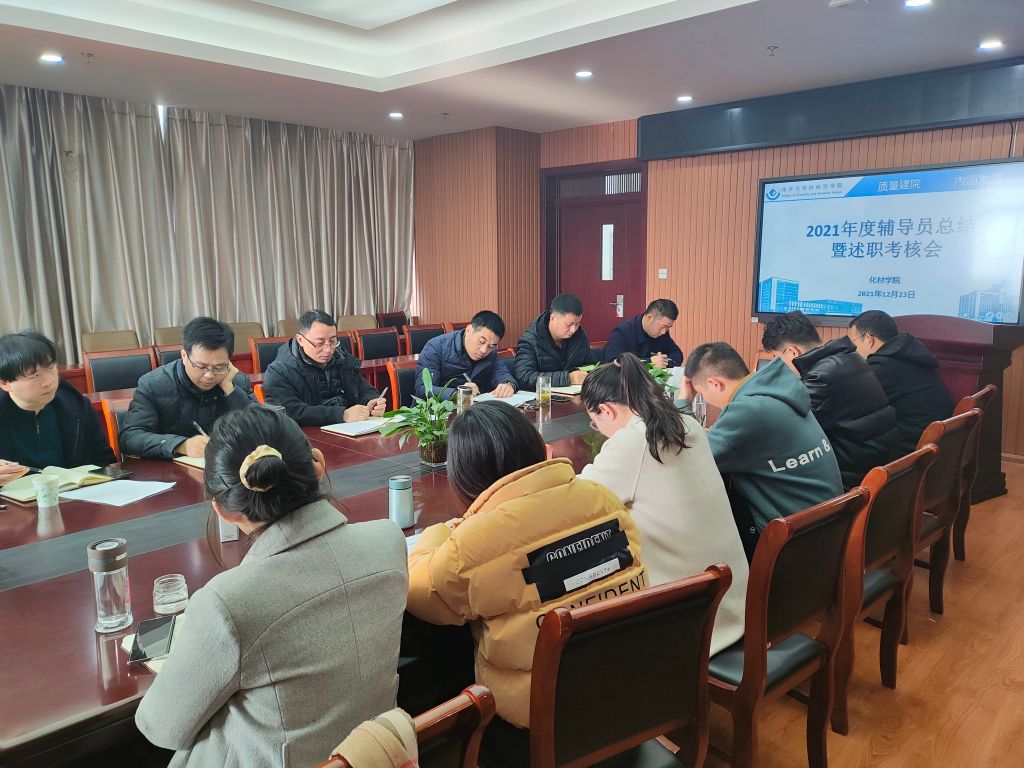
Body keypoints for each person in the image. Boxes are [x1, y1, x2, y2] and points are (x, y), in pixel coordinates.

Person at [135, 406, 408, 768]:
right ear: (318, 466)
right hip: (374, 755)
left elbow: (160, 727)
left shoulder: (226, 603)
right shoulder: (388, 541)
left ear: (223, 511)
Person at [406, 401, 646, 758]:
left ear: (462, 475)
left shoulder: (473, 544)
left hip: (542, 731)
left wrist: (447, 530)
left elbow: (419, 592)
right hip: (632, 701)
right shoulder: (601, 497)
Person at [579, 353, 747, 654]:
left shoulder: (633, 440)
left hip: (694, 621)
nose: (598, 429)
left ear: (606, 410)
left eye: (595, 422)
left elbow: (578, 501)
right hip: (735, 602)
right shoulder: (687, 423)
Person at [683, 342, 843, 558]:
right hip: (827, 527)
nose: (705, 399)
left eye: (701, 393)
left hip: (795, 543)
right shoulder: (777, 393)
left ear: (715, 384)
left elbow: (691, 457)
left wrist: (683, 403)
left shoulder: (748, 410)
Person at [762, 311, 901, 489]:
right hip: (878, 468)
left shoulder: (820, 377)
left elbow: (788, 429)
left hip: (853, 483)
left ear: (792, 352)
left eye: (776, 359)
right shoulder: (851, 358)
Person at [119, 317, 256, 459]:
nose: (209, 375)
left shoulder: (236, 380)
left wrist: (231, 391)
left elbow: (264, 429)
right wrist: (181, 445)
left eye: (219, 367)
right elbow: (130, 437)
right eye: (201, 366)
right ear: (184, 356)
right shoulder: (154, 384)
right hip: (171, 469)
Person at [0, 332, 115, 479]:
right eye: (34, 376)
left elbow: (103, 459)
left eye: (50, 368)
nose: (48, 381)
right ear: (5, 383)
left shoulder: (76, 404)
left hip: (76, 491)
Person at [848, 310, 954, 455]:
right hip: (936, 446)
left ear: (868, 339)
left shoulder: (882, 366)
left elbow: (850, 405)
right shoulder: (911, 354)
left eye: (853, 342)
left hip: (910, 454)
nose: (852, 350)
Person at [263, 309, 386, 426]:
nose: (328, 350)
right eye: (320, 343)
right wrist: (342, 415)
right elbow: (290, 411)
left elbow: (363, 388)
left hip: (352, 428)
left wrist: (371, 401)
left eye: (333, 341)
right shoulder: (279, 371)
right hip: (310, 434)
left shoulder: (341, 358)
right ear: (300, 340)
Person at [414, 310, 517, 400]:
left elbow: (501, 372)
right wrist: (460, 393)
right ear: (469, 330)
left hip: (472, 409)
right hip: (436, 411)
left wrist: (508, 384)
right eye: (481, 341)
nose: (484, 350)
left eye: (491, 346)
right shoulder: (436, 347)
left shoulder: (490, 352)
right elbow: (423, 389)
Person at [513, 294, 597, 390]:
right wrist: (567, 378)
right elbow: (524, 377)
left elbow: (592, 365)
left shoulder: (579, 336)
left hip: (574, 394)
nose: (573, 330)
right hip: (543, 396)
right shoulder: (530, 340)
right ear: (553, 318)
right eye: (569, 324)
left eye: (577, 324)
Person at [602, 298, 683, 369]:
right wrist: (649, 363)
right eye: (663, 326)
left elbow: (677, 354)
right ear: (649, 318)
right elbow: (612, 364)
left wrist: (664, 362)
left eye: (668, 327)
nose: (664, 332)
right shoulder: (622, 332)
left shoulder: (662, 333)